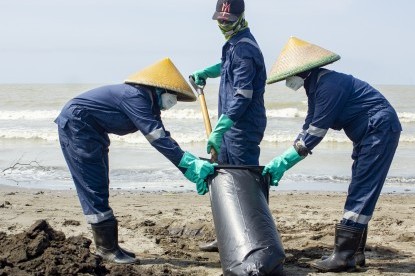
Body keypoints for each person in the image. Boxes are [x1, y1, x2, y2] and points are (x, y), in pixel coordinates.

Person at [55, 58, 216, 264]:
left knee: (100, 183)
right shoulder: (135, 96)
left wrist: (190, 161)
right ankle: (106, 249)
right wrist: (186, 165)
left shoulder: (147, 103)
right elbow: (156, 138)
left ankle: (110, 245)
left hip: (92, 131)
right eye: (173, 95)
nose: (173, 101)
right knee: (93, 184)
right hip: (77, 127)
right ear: (158, 87)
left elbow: (163, 136)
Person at [263, 37, 402, 272]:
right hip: (369, 133)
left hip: (379, 130)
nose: (288, 81)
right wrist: (289, 150)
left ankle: (344, 255)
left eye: (289, 75)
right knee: (360, 185)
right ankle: (355, 254)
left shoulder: (329, 86)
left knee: (362, 188)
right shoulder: (316, 85)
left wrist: (285, 162)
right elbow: (309, 124)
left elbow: (317, 131)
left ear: (303, 70)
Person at [190, 0, 267, 252]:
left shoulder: (245, 48)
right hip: (229, 127)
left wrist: (220, 128)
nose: (224, 24)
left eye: (228, 19)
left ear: (241, 16)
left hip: (242, 128)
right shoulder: (233, 44)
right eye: (220, 20)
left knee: (246, 184)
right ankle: (227, 235)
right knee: (224, 179)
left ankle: (255, 239)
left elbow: (244, 94)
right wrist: (208, 72)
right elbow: (227, 67)